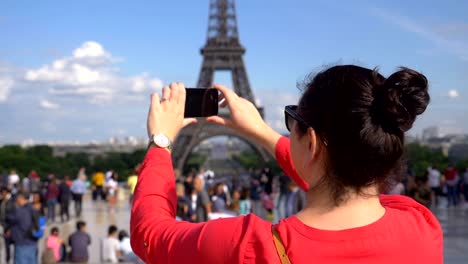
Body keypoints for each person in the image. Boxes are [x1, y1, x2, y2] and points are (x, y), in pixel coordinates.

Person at [131, 68, 442, 263]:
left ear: (313, 143)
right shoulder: (421, 225)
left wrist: (161, 142)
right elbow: (342, 180)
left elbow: (150, 236)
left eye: (292, 121)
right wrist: (264, 133)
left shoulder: (246, 248)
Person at [7, 192, 38, 264]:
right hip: (33, 242)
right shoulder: (34, 210)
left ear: (20, 199)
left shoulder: (19, 211)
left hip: (21, 243)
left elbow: (8, 217)